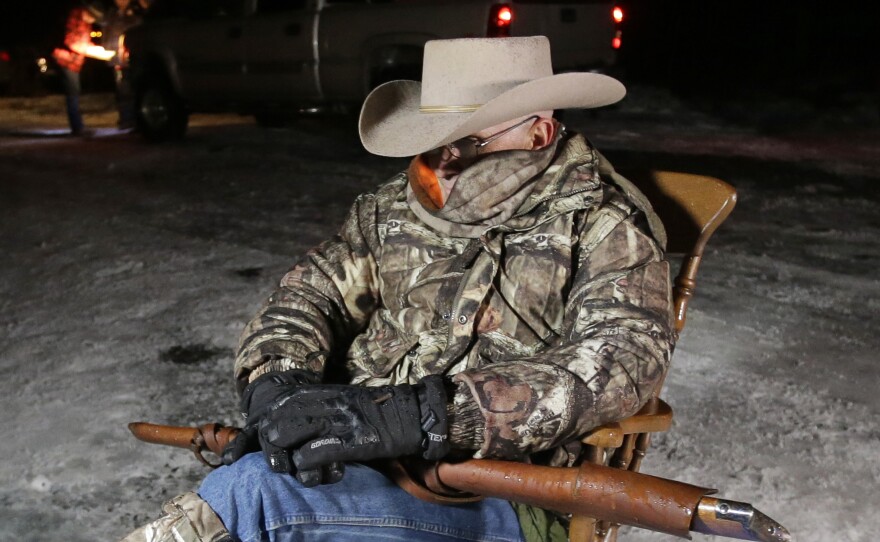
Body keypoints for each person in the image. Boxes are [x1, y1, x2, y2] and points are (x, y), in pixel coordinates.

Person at [121, 36, 674, 542]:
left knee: (252, 498)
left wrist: (422, 414)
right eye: (435, 142)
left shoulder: (604, 225)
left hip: (506, 492)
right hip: (357, 465)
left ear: (539, 132)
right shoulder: (389, 211)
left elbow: (621, 362)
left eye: (469, 143)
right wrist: (278, 385)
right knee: (254, 486)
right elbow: (309, 296)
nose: (443, 164)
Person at [52, 1, 116, 136]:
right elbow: (73, 43)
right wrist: (98, 53)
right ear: (87, 12)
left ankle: (78, 127)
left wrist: (97, 49)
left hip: (73, 62)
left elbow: (83, 41)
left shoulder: (85, 22)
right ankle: (77, 128)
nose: (93, 21)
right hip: (66, 60)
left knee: (74, 91)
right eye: (93, 18)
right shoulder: (75, 18)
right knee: (72, 92)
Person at [102, 0, 149, 130]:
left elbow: (139, 27)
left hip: (131, 56)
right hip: (116, 57)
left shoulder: (136, 11)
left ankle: (137, 120)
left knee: (133, 88)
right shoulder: (112, 14)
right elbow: (106, 29)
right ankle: (126, 118)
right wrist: (106, 48)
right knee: (121, 90)